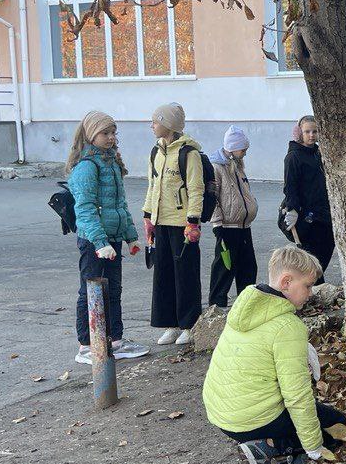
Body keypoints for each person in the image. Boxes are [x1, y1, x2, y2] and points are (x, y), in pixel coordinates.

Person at [202, 246, 341, 464]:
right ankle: (265, 447)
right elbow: (297, 396)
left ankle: (262, 442)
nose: (310, 293)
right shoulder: (288, 327)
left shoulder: (246, 306)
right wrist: (314, 447)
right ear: (286, 281)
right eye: (307, 286)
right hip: (251, 419)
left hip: (221, 413)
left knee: (318, 417)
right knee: (335, 425)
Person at [65, 111, 148, 365]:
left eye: (113, 133)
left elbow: (119, 205)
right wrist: (100, 243)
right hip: (94, 241)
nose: (111, 138)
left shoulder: (111, 163)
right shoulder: (87, 167)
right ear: (91, 135)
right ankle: (86, 346)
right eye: (105, 133)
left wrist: (131, 237)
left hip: (111, 238)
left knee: (113, 290)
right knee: (90, 292)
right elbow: (85, 209)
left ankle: (114, 341)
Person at [143, 102, 204, 345]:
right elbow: (152, 185)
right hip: (161, 222)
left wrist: (193, 222)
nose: (152, 126)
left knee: (185, 275)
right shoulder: (155, 152)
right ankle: (170, 324)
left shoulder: (189, 153)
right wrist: (148, 215)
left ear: (168, 124)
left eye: (155, 122)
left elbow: (196, 189)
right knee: (164, 274)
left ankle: (189, 325)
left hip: (182, 224)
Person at [208, 125, 259, 308]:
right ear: (231, 148)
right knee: (224, 267)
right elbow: (214, 196)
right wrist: (217, 223)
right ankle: (217, 302)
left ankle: (246, 301)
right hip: (228, 226)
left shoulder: (237, 166)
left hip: (244, 225)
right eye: (242, 149)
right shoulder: (217, 167)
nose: (245, 152)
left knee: (248, 266)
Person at [281, 115, 335, 282]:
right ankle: (310, 289)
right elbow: (290, 186)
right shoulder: (293, 157)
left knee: (326, 250)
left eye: (315, 131)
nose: (311, 135)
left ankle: (312, 287)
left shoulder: (318, 153)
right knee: (312, 259)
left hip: (324, 213)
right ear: (299, 133)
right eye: (307, 132)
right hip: (307, 217)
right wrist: (292, 210)